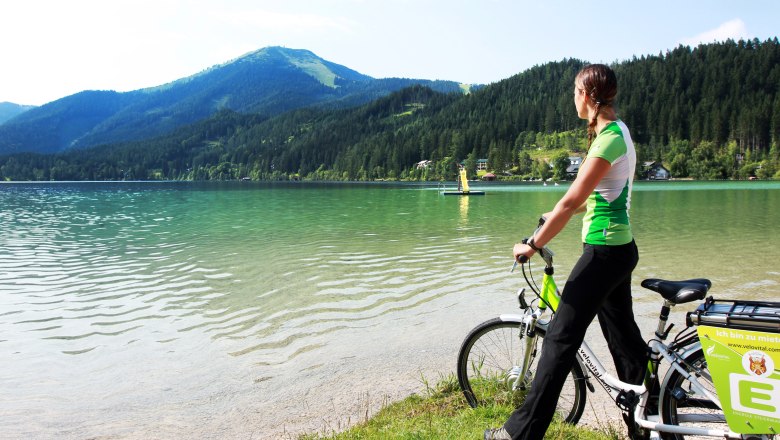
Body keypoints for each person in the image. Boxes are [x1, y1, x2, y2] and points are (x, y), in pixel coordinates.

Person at [485, 64, 648, 440]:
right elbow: (591, 198)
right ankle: (647, 422)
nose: (572, 98)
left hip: (605, 252)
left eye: (575, 91)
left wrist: (533, 244)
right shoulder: (617, 132)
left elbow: (573, 198)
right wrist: (550, 217)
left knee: (559, 340)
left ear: (589, 96)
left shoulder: (608, 138)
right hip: (619, 250)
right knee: (625, 342)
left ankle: (520, 434)